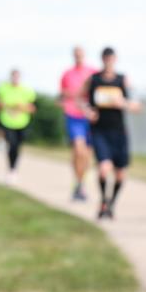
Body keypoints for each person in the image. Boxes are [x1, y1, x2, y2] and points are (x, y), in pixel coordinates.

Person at [81, 47, 142, 220]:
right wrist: (87, 111)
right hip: (100, 130)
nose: (108, 61)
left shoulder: (123, 80)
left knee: (120, 173)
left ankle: (111, 203)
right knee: (103, 168)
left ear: (115, 59)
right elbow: (79, 98)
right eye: (106, 58)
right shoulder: (93, 79)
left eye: (111, 58)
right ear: (102, 59)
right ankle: (103, 201)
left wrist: (123, 103)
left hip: (119, 132)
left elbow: (137, 105)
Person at [60, 46, 99, 201]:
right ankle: (78, 182)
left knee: (87, 154)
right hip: (73, 114)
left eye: (81, 55)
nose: (78, 57)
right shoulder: (67, 74)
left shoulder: (93, 72)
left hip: (89, 116)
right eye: (76, 55)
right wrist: (74, 94)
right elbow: (63, 93)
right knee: (78, 150)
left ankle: (80, 184)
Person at [0, 69, 36, 184]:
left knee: (17, 147)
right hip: (7, 121)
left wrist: (21, 107)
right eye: (13, 76)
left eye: (17, 77)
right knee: (11, 144)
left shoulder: (27, 90)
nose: (15, 79)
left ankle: (13, 169)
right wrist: (2, 105)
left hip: (22, 123)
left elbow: (32, 108)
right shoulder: (3, 88)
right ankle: (11, 170)